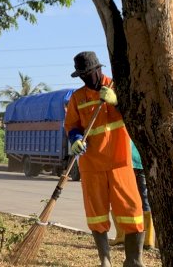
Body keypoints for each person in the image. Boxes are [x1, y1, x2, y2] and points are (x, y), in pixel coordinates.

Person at [64, 51, 145, 267]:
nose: (86, 78)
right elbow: (71, 125)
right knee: (96, 215)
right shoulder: (77, 98)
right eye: (82, 75)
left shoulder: (117, 88)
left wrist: (117, 103)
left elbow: (137, 114)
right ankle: (105, 262)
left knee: (132, 212)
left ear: (98, 70)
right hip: (92, 165)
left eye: (88, 73)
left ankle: (134, 261)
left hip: (120, 162)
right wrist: (75, 138)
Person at [110, 142, 155, 250]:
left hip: (128, 163)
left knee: (123, 198)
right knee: (143, 199)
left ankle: (123, 236)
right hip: (141, 162)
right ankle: (147, 240)